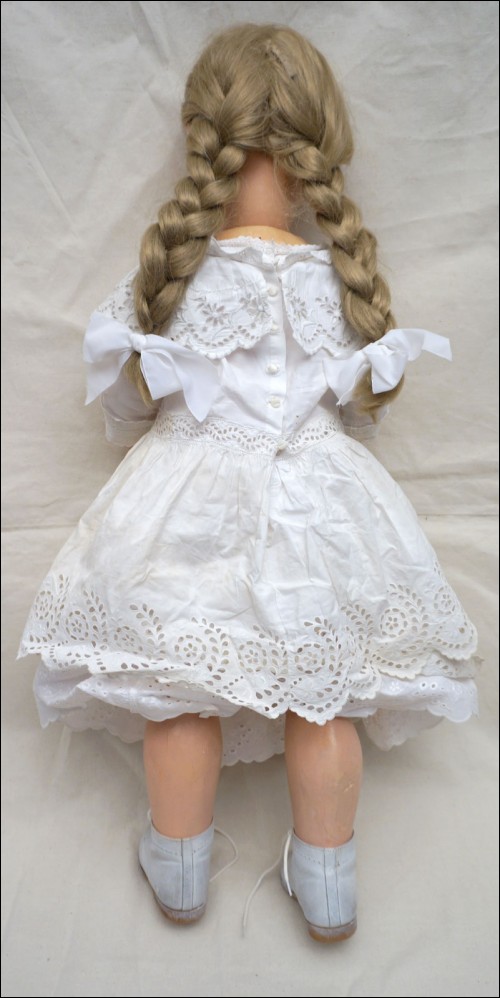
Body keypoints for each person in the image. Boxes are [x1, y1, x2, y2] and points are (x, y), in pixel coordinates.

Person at [18, 23, 480, 942]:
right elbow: (358, 415)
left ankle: (179, 864)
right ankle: (329, 879)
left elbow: (127, 408)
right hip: (323, 506)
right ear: (320, 143)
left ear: (204, 136)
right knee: (322, 696)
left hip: (187, 504)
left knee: (180, 687)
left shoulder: (170, 277)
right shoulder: (339, 281)